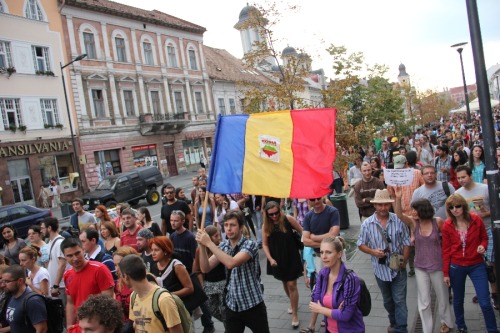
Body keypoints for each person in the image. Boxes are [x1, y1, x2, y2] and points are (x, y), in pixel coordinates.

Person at [196, 210, 270, 333]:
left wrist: (209, 243)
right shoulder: (224, 247)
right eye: (226, 225)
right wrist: (202, 246)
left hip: (253, 304)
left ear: (241, 227)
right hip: (232, 305)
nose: (228, 229)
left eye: (232, 225)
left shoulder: (250, 245)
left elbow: (231, 263)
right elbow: (205, 268)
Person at [394, 189, 453, 333]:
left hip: (438, 265)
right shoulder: (415, 223)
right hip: (420, 266)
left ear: (423, 210)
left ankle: (447, 323)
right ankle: (427, 329)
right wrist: (398, 198)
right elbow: (399, 215)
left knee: (443, 297)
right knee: (424, 301)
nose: (413, 213)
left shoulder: (438, 222)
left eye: (415, 210)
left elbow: (448, 241)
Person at [442, 194, 499, 333]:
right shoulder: (447, 225)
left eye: (458, 206)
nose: (455, 209)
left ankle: (492, 329)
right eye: (451, 207)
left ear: (463, 206)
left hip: (476, 265)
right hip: (456, 266)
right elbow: (446, 250)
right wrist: (446, 273)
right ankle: (461, 326)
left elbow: (484, 238)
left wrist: (483, 246)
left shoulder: (476, 219)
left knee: (485, 302)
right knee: (458, 300)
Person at [357, 189, 411, 333]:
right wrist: (373, 252)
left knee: (399, 300)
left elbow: (407, 241)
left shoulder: (399, 219)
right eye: (380, 205)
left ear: (390, 204)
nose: (383, 208)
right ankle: (393, 323)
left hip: (398, 267)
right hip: (380, 269)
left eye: (386, 204)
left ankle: (401, 328)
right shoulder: (367, 224)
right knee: (388, 301)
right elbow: (361, 244)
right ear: (375, 206)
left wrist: (404, 262)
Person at [455, 165, 497, 307]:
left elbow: (496, 209)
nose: (461, 180)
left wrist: (484, 214)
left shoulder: (484, 189)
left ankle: (495, 293)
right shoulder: (458, 194)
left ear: (470, 176)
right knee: (478, 264)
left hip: (488, 229)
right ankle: (483, 292)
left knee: (491, 262)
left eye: (463, 177)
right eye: (459, 178)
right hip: (470, 234)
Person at [308, 236, 365, 333]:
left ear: (339, 254)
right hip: (330, 329)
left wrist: (321, 309)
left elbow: (345, 315)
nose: (323, 257)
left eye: (328, 252)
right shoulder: (322, 274)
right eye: (321, 252)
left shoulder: (350, 278)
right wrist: (311, 326)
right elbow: (315, 300)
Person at [262, 201, 303, 328]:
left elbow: (302, 232)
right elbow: (265, 244)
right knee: (285, 282)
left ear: (280, 210)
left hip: (291, 256)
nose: (274, 216)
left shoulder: (288, 219)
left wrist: (307, 251)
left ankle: (295, 314)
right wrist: (270, 258)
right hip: (277, 259)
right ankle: (292, 302)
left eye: (276, 213)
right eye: (271, 214)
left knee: (292, 284)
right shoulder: (266, 226)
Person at [119, 254, 184, 333]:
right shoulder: (134, 296)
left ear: (126, 276)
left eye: (120, 275)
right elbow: (136, 327)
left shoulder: (163, 299)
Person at [62, 237, 114, 329]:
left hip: (99, 326)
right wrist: (69, 325)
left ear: (83, 250)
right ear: (64, 257)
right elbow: (71, 303)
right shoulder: (67, 275)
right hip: (81, 326)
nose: (75, 258)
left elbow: (108, 301)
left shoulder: (99, 269)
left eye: (77, 253)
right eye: (70, 256)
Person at [192, 225, 227, 326]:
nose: (219, 238)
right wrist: (202, 284)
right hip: (209, 284)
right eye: (216, 236)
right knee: (212, 310)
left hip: (222, 283)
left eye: (219, 235)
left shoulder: (221, 247)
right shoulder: (200, 250)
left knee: (225, 310)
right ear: (209, 237)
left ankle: (229, 326)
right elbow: (198, 269)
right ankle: (229, 322)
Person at [2, 265, 47, 333]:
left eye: (7, 282)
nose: (3, 285)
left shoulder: (33, 301)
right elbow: (16, 324)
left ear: (20, 281)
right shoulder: (12, 297)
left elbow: (42, 329)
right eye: (3, 281)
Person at [40, 217, 70, 306]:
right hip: (54, 286)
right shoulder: (50, 242)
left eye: (42, 228)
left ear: (49, 228)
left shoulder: (60, 242)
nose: (41, 231)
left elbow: (62, 265)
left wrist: (56, 285)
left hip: (61, 286)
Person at [112, 246, 138, 331]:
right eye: (115, 265)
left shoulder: (141, 282)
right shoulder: (118, 284)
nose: (116, 269)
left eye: (119, 265)